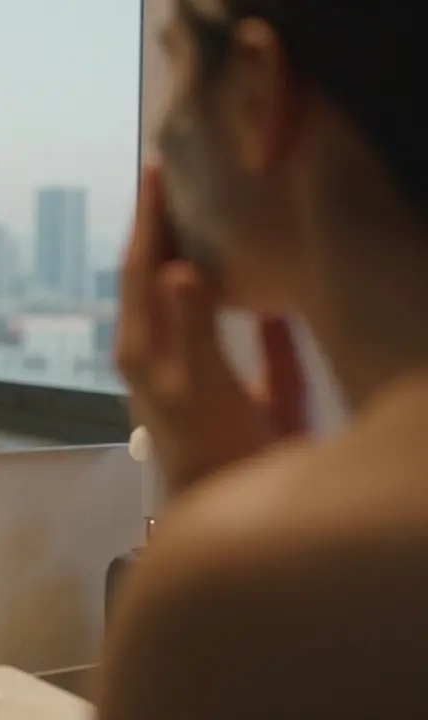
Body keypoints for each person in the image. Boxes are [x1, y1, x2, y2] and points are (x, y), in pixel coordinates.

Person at [101, 0, 428, 717]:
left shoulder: (235, 591)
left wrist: (214, 514)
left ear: (256, 89)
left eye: (178, 59)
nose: (163, 130)